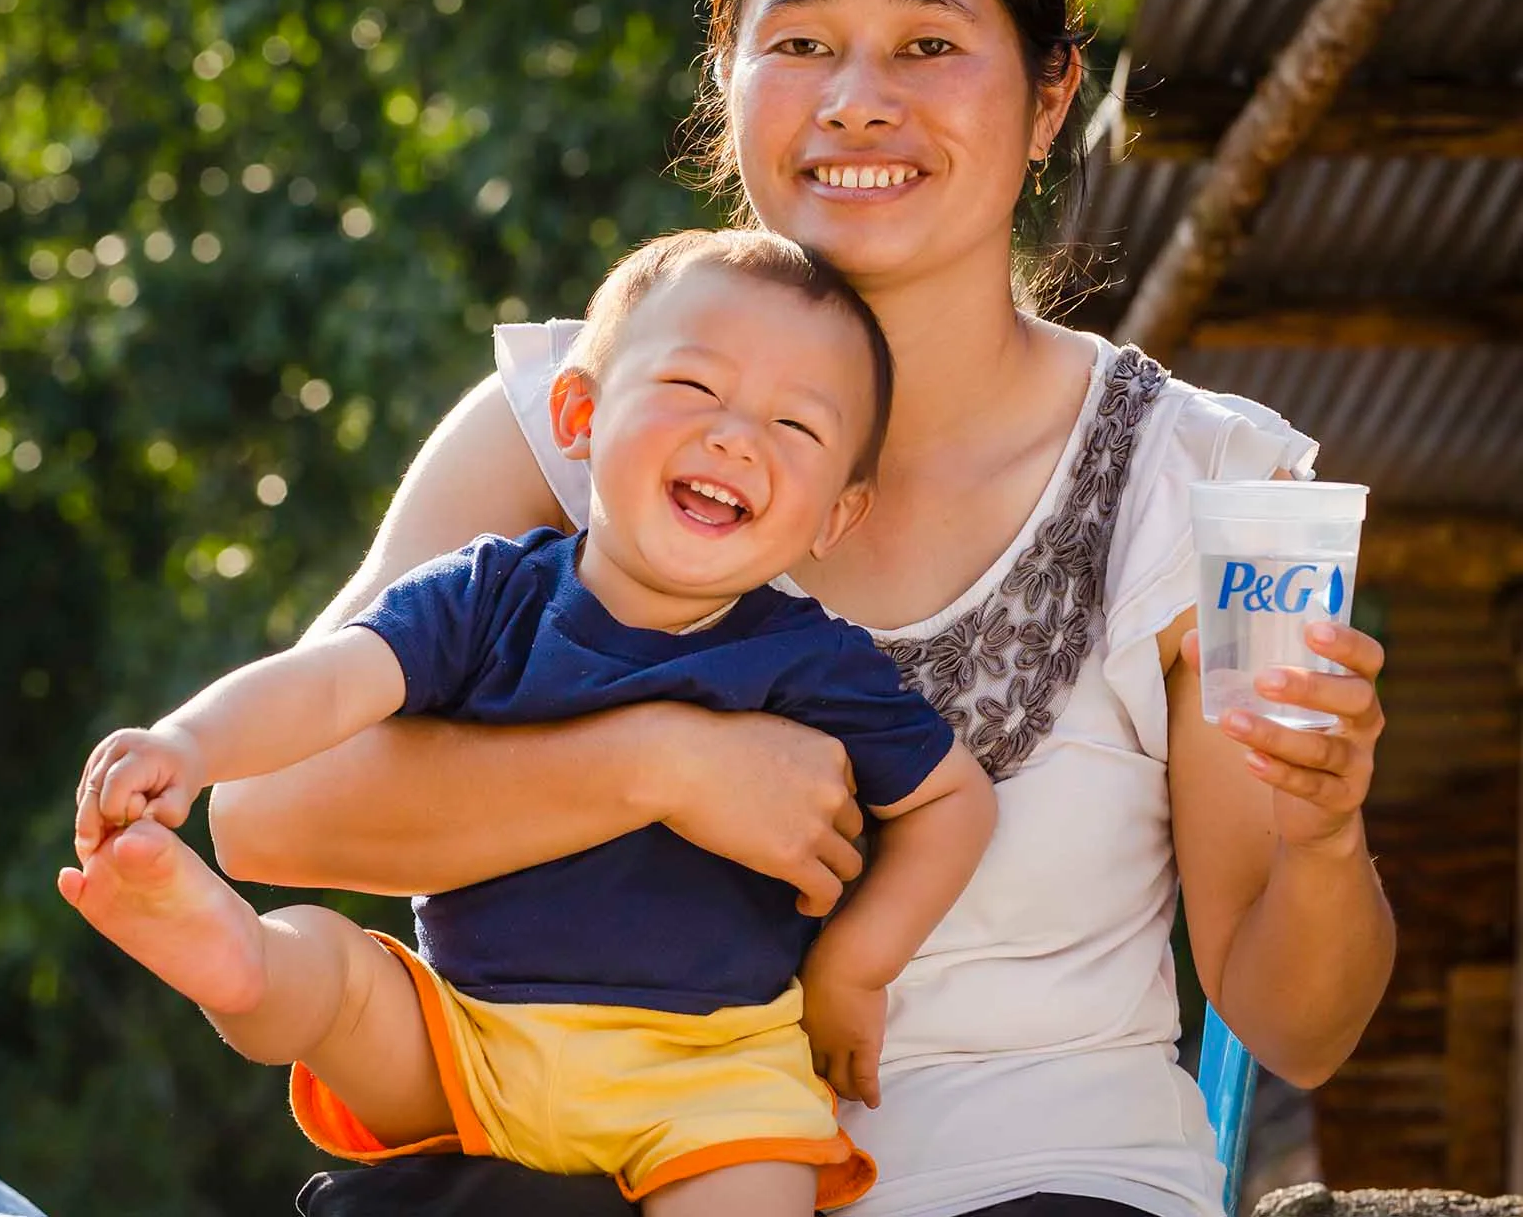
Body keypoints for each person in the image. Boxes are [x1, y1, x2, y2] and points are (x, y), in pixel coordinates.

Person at [203, 0, 1397, 1217]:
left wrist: (1324, 839)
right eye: (804, 41)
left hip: (1039, 1179)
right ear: (729, 78)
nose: (859, 100)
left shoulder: (1221, 485)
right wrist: (659, 760)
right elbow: (267, 809)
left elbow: (1301, 1023)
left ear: (1051, 92)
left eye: (931, 45)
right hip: (589, 1157)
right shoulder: (568, 419)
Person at [61, 230, 997, 1214]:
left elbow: (949, 799)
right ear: (578, 414)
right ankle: (231, 964)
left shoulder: (812, 659)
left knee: (757, 1187)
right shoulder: (485, 596)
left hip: (709, 1073)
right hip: (474, 1035)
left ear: (833, 517)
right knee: (325, 967)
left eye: (794, 427)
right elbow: (331, 685)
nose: (734, 437)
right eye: (691, 386)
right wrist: (191, 743)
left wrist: (855, 966)